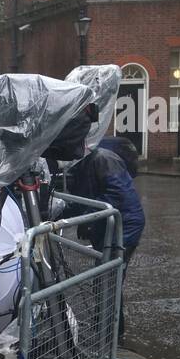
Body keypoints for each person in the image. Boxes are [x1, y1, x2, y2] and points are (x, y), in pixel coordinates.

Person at [63, 144, 146, 342]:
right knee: (104, 277)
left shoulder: (103, 159)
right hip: (109, 225)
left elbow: (115, 195)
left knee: (108, 278)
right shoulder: (84, 163)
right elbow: (83, 199)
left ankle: (112, 336)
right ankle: (105, 329)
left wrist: (86, 217)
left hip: (124, 225)